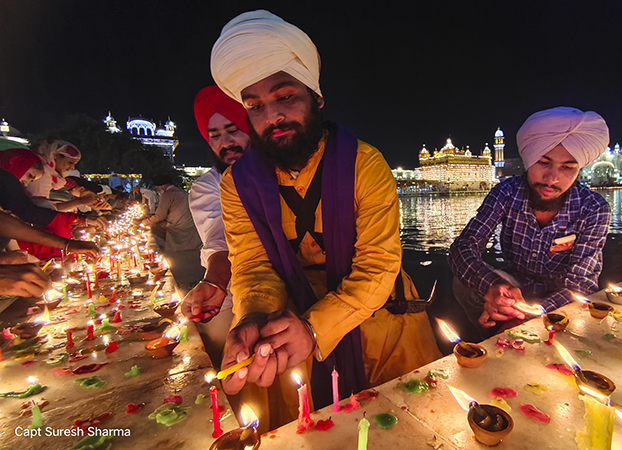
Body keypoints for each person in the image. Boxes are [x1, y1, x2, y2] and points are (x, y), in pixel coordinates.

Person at [210, 10, 441, 431]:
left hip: (381, 323)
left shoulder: (365, 164)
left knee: (402, 428)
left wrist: (314, 331)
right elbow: (253, 267)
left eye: (285, 97)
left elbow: (379, 264)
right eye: (256, 106)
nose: (273, 117)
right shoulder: (236, 185)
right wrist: (251, 320)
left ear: (316, 98)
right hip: (287, 325)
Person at [449, 107, 611, 337]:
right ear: (529, 159)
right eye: (543, 162)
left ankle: (504, 332)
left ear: (578, 169)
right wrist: (492, 287)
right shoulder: (507, 193)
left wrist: (531, 316)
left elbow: (580, 285)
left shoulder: (593, 209)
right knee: (462, 281)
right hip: (514, 289)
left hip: (560, 298)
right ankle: (494, 333)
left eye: (567, 167)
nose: (552, 178)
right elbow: (463, 247)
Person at [181, 84, 251, 369]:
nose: (226, 142)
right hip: (228, 288)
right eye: (215, 136)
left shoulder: (281, 175)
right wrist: (215, 282)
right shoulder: (208, 187)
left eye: (233, 130)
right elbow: (220, 239)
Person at [139, 175, 204, 293]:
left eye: (157, 188)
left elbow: (159, 216)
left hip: (179, 229)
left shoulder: (168, 194)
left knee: (177, 256)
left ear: (162, 186)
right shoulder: (181, 192)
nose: (157, 190)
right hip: (191, 229)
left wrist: (144, 223)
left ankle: (185, 281)